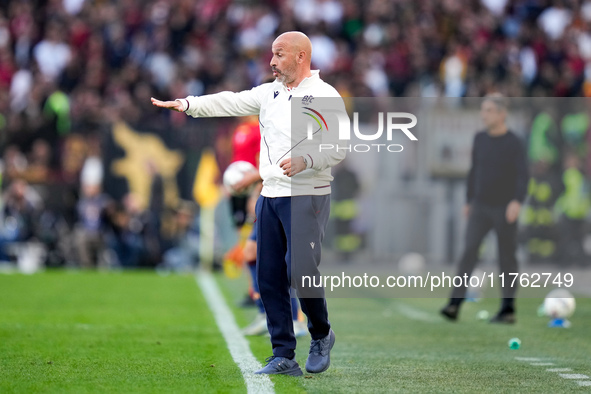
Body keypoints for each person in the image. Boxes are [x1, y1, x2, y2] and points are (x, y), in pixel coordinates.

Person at [152, 31, 345, 376]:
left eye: (279, 54)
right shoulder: (268, 92)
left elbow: (339, 147)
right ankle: (284, 354)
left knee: (299, 272)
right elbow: (230, 101)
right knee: (268, 276)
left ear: (301, 57)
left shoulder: (323, 95)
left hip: (308, 193)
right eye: (272, 54)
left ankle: (321, 334)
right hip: (270, 195)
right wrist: (188, 105)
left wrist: (307, 160)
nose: (272, 61)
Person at [441, 94, 529, 324]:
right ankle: (454, 304)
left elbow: (522, 175)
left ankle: (508, 309)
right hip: (480, 206)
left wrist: (517, 201)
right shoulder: (480, 138)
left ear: (502, 114)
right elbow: (474, 171)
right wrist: (469, 200)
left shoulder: (514, 142)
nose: (484, 114)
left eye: (489, 110)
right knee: (468, 252)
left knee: (506, 258)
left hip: (504, 207)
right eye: (483, 110)